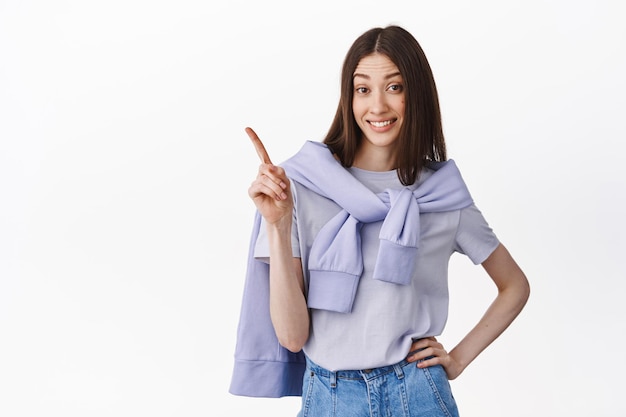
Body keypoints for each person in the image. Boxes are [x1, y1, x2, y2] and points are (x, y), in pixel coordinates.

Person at [229, 25, 530, 417]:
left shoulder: (440, 195)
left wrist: (457, 359)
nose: (377, 107)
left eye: (394, 87)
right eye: (363, 89)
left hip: (419, 394)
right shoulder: (302, 186)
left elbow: (514, 285)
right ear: (348, 98)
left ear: (415, 94)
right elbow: (291, 336)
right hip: (329, 397)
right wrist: (278, 225)